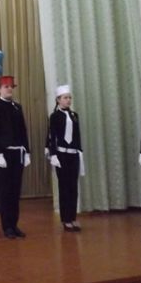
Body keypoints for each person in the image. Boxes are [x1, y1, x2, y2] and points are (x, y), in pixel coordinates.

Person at [0, 75, 31, 239]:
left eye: (11, 87)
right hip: (4, 154)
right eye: (6, 87)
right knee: (5, 191)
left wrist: (27, 151)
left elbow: (23, 130)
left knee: (15, 191)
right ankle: (7, 227)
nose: (9, 89)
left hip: (17, 153)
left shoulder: (17, 107)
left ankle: (14, 224)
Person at [47, 85, 83, 232]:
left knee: (73, 186)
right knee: (64, 187)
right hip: (61, 154)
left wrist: (80, 151)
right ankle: (66, 219)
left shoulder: (74, 115)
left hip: (73, 154)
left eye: (69, 97)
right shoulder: (55, 116)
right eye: (65, 98)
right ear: (58, 100)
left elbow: (77, 135)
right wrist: (53, 154)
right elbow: (52, 135)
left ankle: (73, 217)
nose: (68, 100)